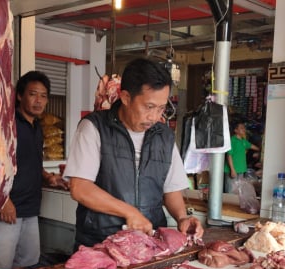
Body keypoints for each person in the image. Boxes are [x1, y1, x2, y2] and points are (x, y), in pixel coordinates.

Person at [64, 58, 204, 249]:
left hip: (150, 244)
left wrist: (182, 217)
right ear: (126, 98)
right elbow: (80, 188)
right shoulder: (94, 128)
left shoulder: (164, 136)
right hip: (101, 244)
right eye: (149, 107)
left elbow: (171, 189)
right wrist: (129, 212)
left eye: (161, 108)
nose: (155, 117)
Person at [0, 71, 68, 269]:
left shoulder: (37, 126)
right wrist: (4, 201)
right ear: (21, 96)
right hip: (6, 210)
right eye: (33, 94)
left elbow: (31, 162)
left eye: (43, 95)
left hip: (31, 209)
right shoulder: (8, 124)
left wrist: (48, 177)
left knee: (26, 266)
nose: (38, 101)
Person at [224, 122, 260, 193]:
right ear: (236, 130)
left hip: (241, 171)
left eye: (244, 128)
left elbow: (255, 147)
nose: (244, 129)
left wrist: (261, 151)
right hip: (232, 171)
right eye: (241, 128)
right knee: (230, 192)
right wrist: (232, 170)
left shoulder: (243, 141)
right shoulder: (232, 140)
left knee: (238, 191)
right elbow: (229, 155)